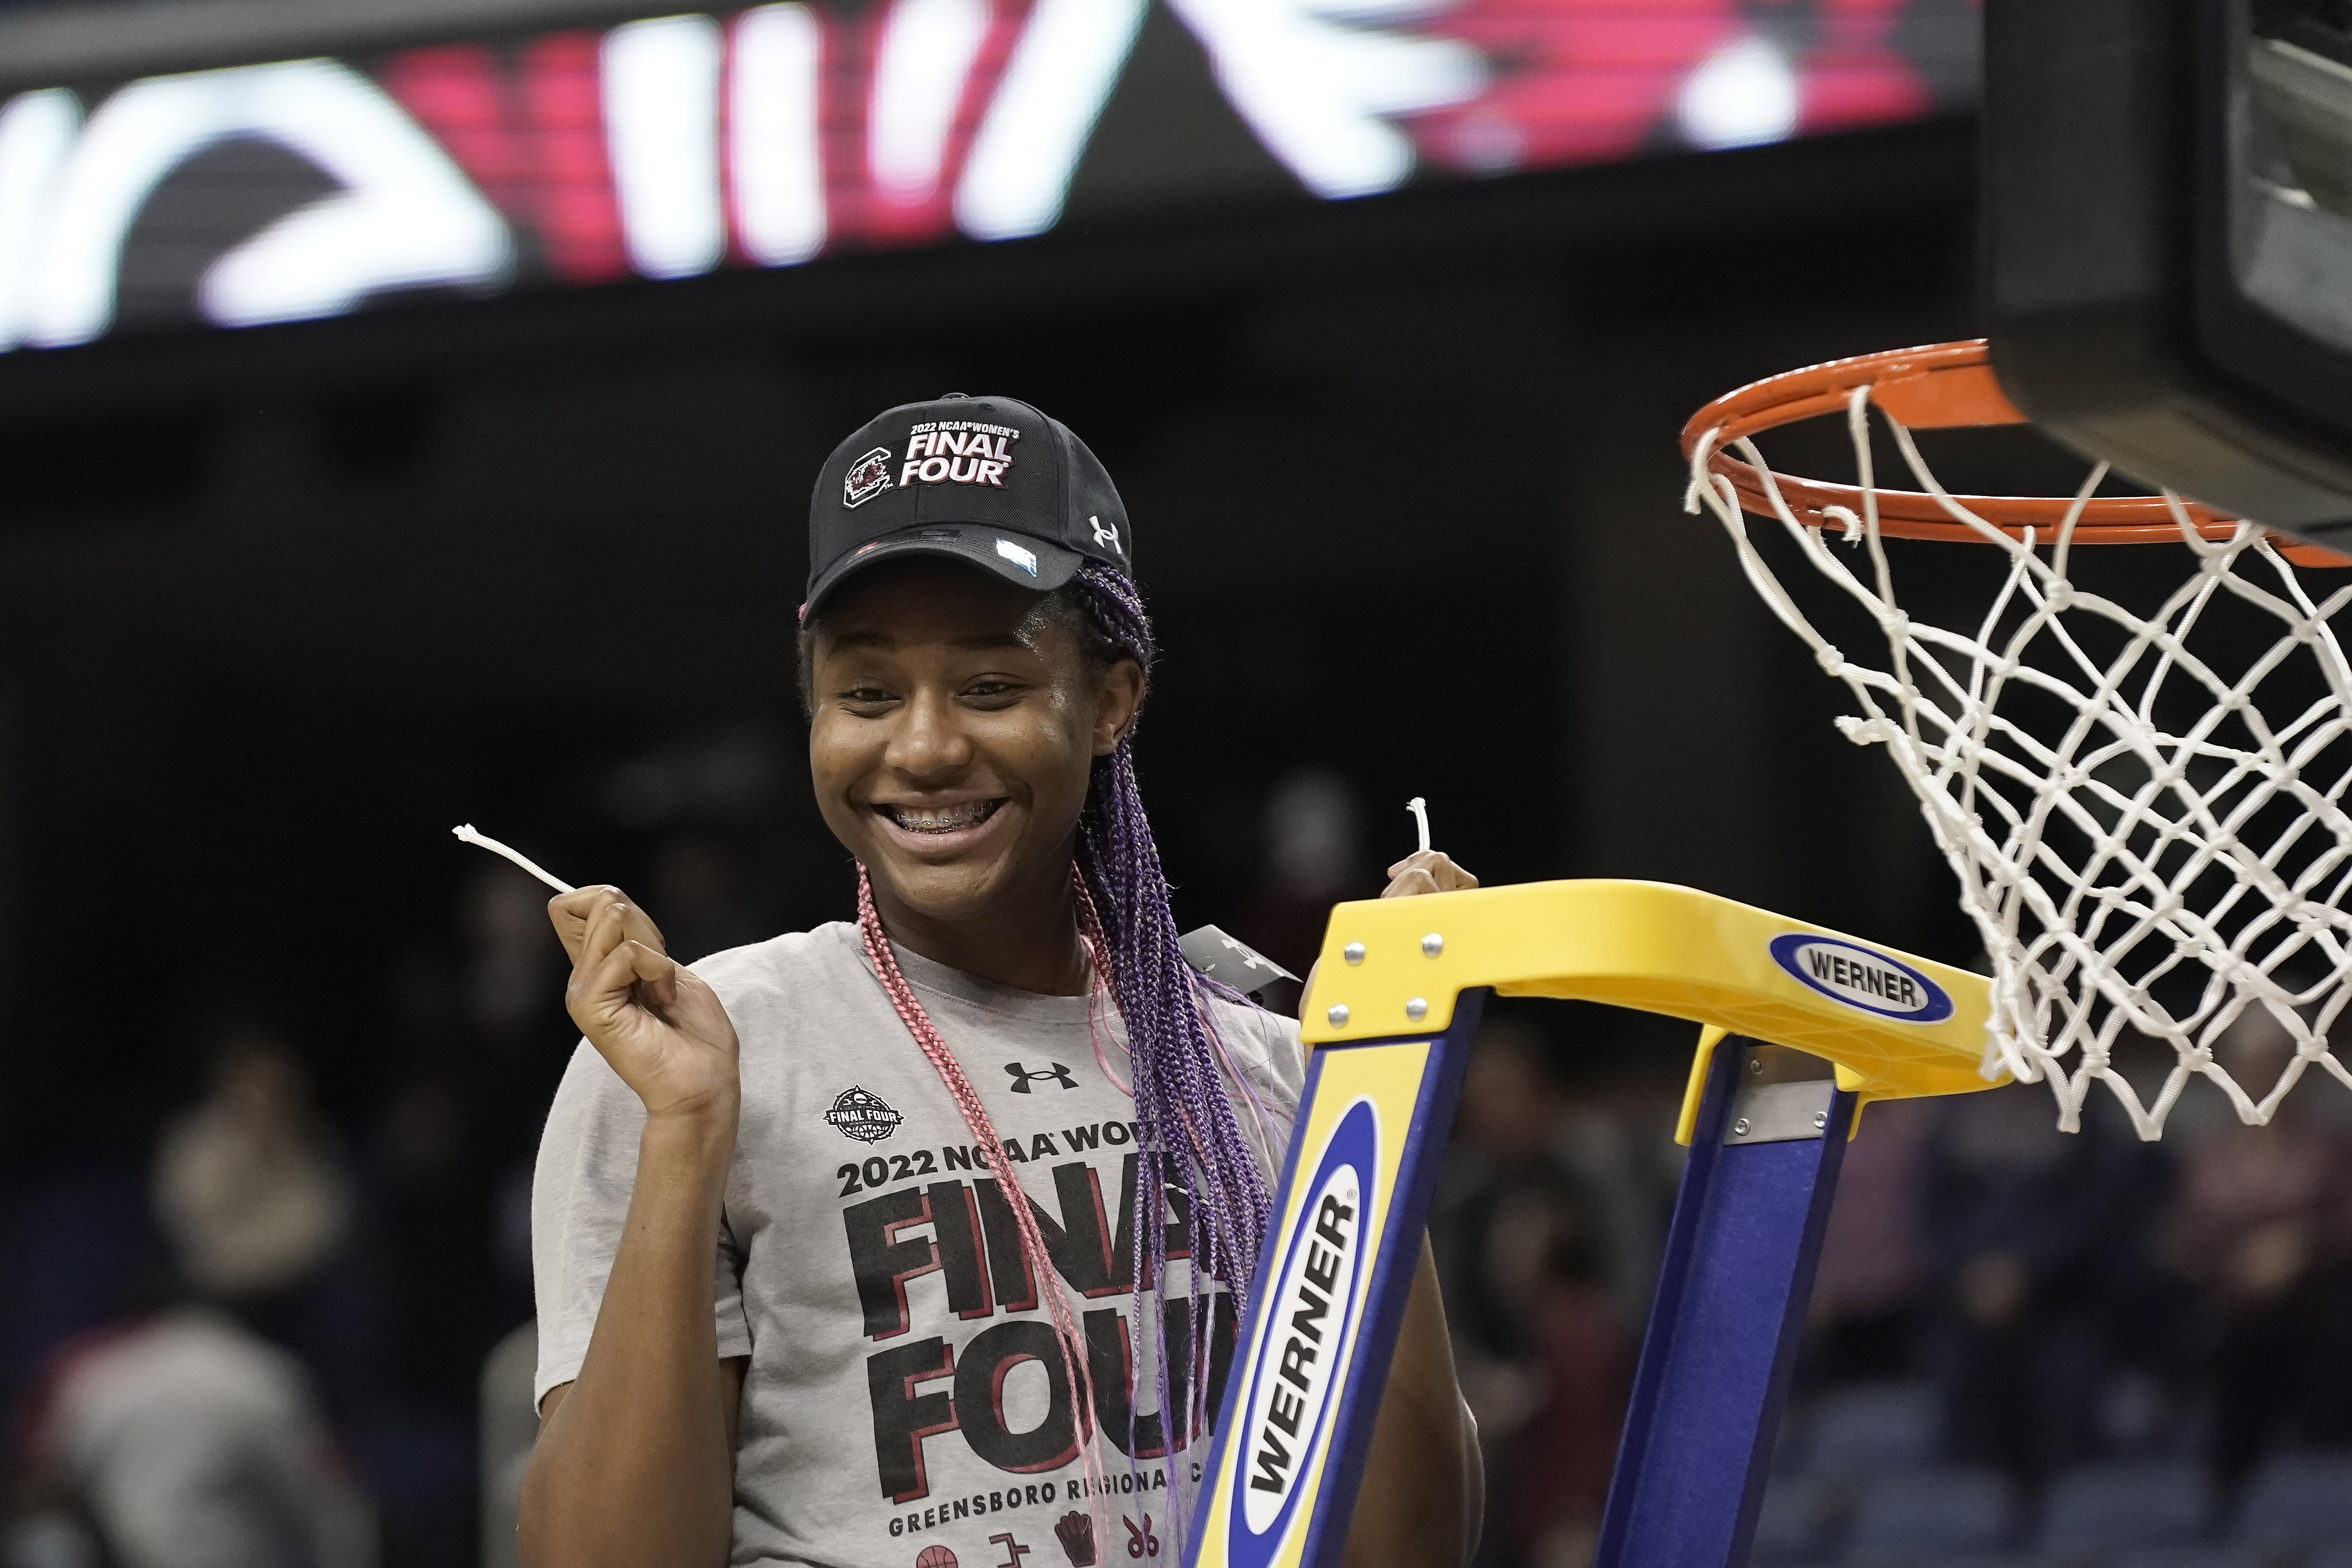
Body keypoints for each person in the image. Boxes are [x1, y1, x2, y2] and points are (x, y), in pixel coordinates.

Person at [518, 395, 1483, 1568]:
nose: (922, 746)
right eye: (867, 694)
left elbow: (1410, 1549)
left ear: (1111, 699)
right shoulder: (701, 1047)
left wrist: (1383, 1085)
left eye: (989, 686)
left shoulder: (1269, 1066)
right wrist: (685, 1130)